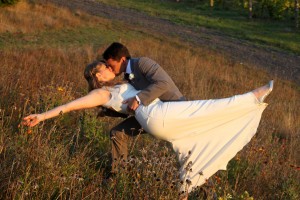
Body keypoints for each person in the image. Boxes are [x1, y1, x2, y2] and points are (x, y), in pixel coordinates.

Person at [22, 61, 274, 196]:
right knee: (203, 108)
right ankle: (250, 97)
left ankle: (184, 189)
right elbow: (72, 105)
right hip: (155, 116)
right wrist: (43, 116)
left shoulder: (126, 82)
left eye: (104, 68)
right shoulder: (101, 93)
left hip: (151, 118)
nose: (105, 73)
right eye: (99, 72)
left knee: (187, 143)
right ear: (96, 79)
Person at [101, 42, 185, 172]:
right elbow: (130, 108)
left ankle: (206, 188)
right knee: (117, 133)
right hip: (150, 113)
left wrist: (138, 98)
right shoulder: (126, 77)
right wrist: (108, 111)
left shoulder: (142, 63)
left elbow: (164, 84)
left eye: (111, 65)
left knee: (187, 151)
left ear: (122, 59)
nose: (109, 69)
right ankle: (118, 175)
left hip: (174, 110)